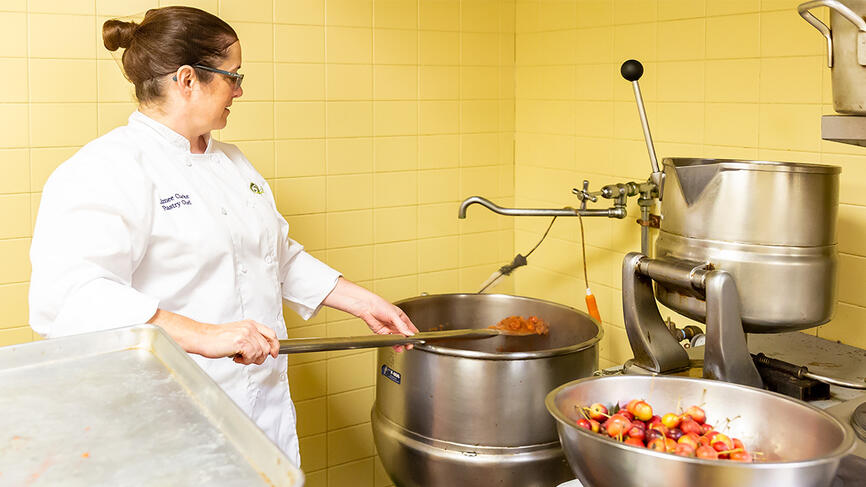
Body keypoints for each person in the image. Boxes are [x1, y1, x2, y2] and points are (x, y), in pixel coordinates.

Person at [28, 6, 418, 466]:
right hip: (170, 418)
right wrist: (203, 335)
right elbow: (71, 299)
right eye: (233, 76)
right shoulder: (105, 169)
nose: (239, 90)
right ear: (188, 79)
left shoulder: (233, 164)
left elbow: (274, 256)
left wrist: (364, 303)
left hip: (261, 410)